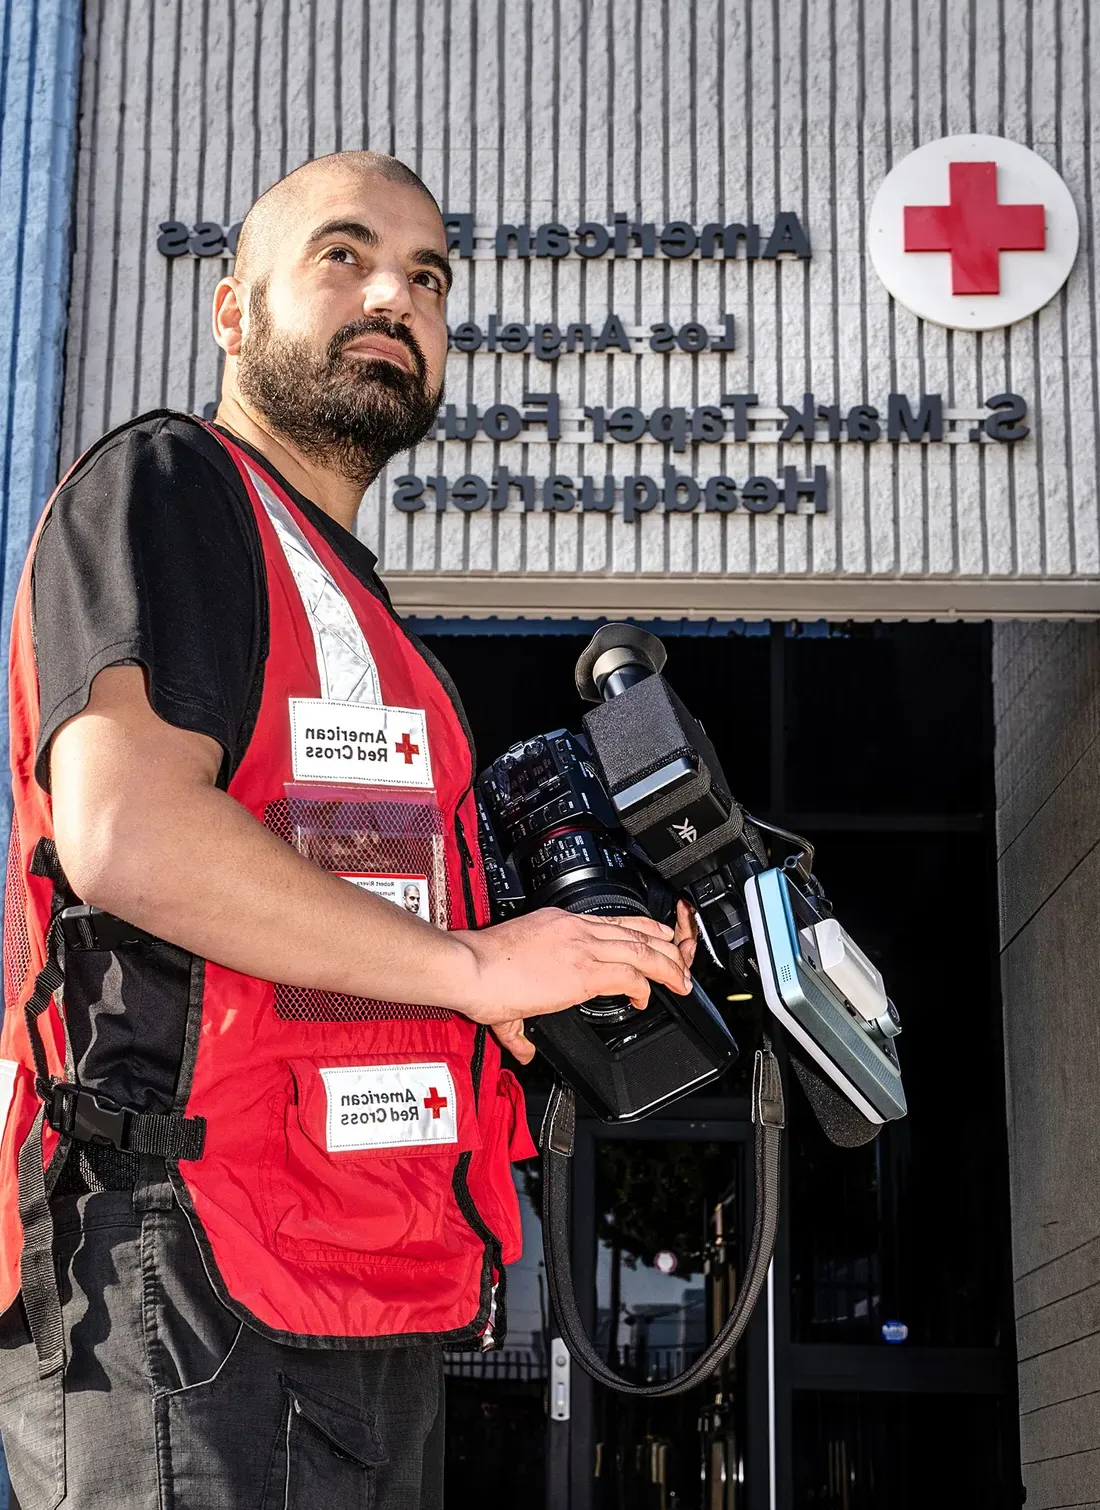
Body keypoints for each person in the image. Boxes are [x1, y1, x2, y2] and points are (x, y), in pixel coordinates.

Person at [0, 152, 696, 1509]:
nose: (396, 292)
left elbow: (338, 941)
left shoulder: (374, 630)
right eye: (345, 254)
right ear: (232, 309)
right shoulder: (171, 487)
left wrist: (506, 986)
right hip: (186, 1290)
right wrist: (480, 968)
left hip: (366, 1303)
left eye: (429, 277)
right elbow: (126, 833)